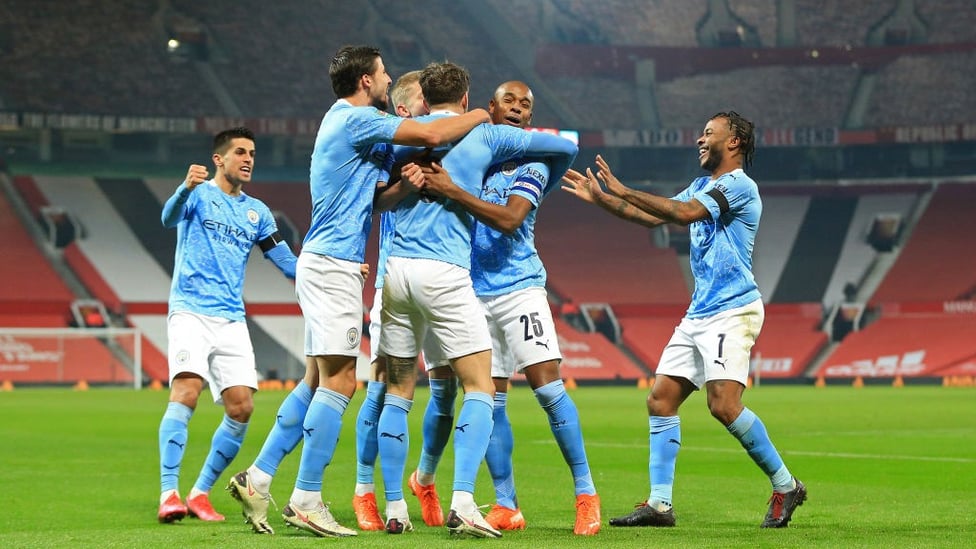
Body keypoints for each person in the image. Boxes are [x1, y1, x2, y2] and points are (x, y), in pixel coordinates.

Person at [226, 45, 489, 538]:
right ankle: (306, 498)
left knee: (314, 380)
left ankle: (257, 477)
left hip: (331, 262)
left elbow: (374, 202)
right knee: (342, 382)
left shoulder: (349, 125)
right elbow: (433, 131)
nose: (388, 80)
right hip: (331, 266)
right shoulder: (355, 119)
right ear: (366, 81)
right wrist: (480, 114)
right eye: (384, 73)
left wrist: (405, 187)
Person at [561, 111, 807, 529]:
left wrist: (622, 188)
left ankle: (786, 486)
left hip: (733, 308)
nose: (699, 139)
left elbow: (685, 213)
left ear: (734, 143)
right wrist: (604, 199)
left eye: (709, 133)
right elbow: (654, 216)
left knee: (724, 406)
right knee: (660, 400)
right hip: (700, 311)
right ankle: (659, 505)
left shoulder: (739, 186)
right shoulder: (700, 185)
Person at [377, 62, 578, 538]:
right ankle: (465, 500)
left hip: (395, 273)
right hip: (445, 275)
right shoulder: (486, 138)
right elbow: (566, 144)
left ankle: (392, 506)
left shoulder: (399, 135)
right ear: (468, 100)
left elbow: (378, 200)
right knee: (482, 388)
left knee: (400, 392)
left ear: (423, 97)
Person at [156, 127, 298, 524]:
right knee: (186, 392)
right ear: (219, 159)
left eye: (252, 152)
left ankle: (200, 493)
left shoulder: (257, 212)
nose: (248, 158)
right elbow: (168, 218)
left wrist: (328, 274)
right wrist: (184, 187)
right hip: (190, 311)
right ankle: (168, 492)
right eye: (240, 152)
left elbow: (284, 260)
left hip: (231, 317)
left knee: (241, 407)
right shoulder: (199, 195)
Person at [350, 69, 451, 532]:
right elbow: (372, 203)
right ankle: (364, 490)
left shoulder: (444, 148)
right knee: (382, 386)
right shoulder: (390, 150)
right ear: (407, 111)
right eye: (427, 105)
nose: (435, 114)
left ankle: (425, 478)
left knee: (448, 389)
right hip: (397, 279)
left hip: (447, 280)